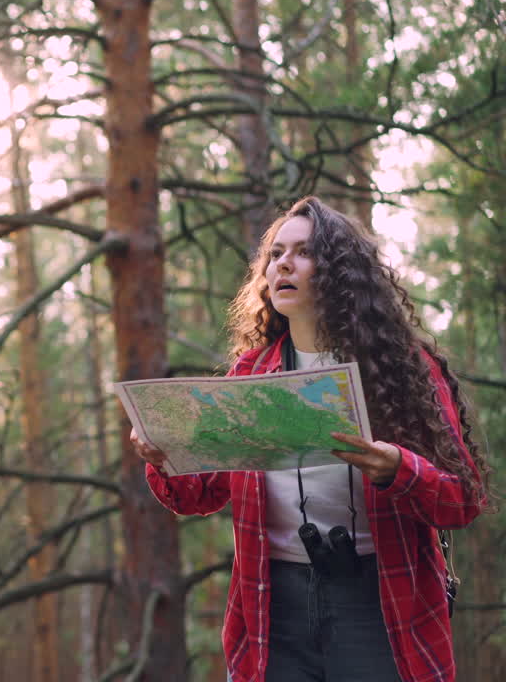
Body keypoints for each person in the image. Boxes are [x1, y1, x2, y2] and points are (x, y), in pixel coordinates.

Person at [131, 196, 490, 682]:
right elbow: (199, 495)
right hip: (271, 604)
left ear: (343, 274)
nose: (283, 263)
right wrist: (164, 454)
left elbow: (462, 500)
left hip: (380, 598)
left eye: (303, 252)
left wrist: (398, 470)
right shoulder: (250, 373)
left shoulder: (402, 368)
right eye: (275, 254)